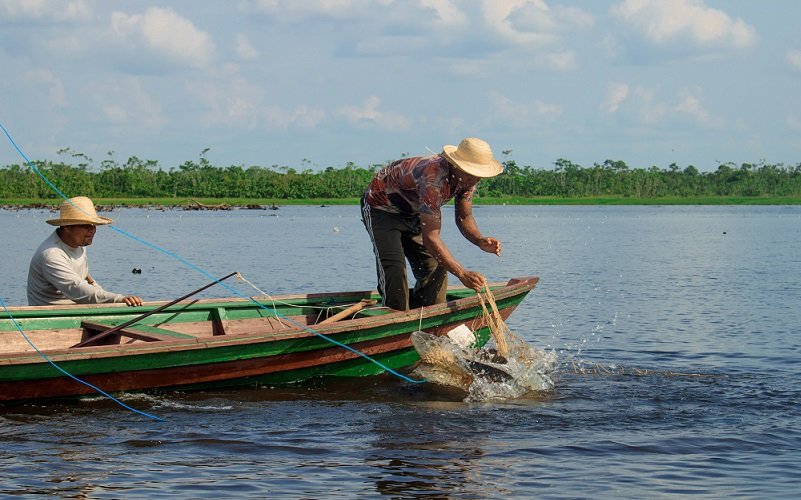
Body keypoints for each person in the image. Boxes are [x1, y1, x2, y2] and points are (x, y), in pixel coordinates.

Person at [361, 137, 503, 310]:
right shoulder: (432, 179)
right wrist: (462, 273)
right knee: (395, 271)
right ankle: (395, 317)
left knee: (436, 268)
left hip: (413, 212)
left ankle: (429, 317)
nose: (475, 180)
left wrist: (479, 239)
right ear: (457, 166)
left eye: (478, 176)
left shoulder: (467, 180)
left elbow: (464, 218)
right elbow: (431, 238)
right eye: (471, 174)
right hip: (381, 208)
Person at [27, 196, 143, 307]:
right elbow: (77, 288)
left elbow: (84, 278)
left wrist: (106, 294)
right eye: (86, 225)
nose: (92, 230)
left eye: (93, 225)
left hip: (78, 309)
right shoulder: (51, 255)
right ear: (67, 227)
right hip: (51, 315)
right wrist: (116, 299)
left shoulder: (78, 243)